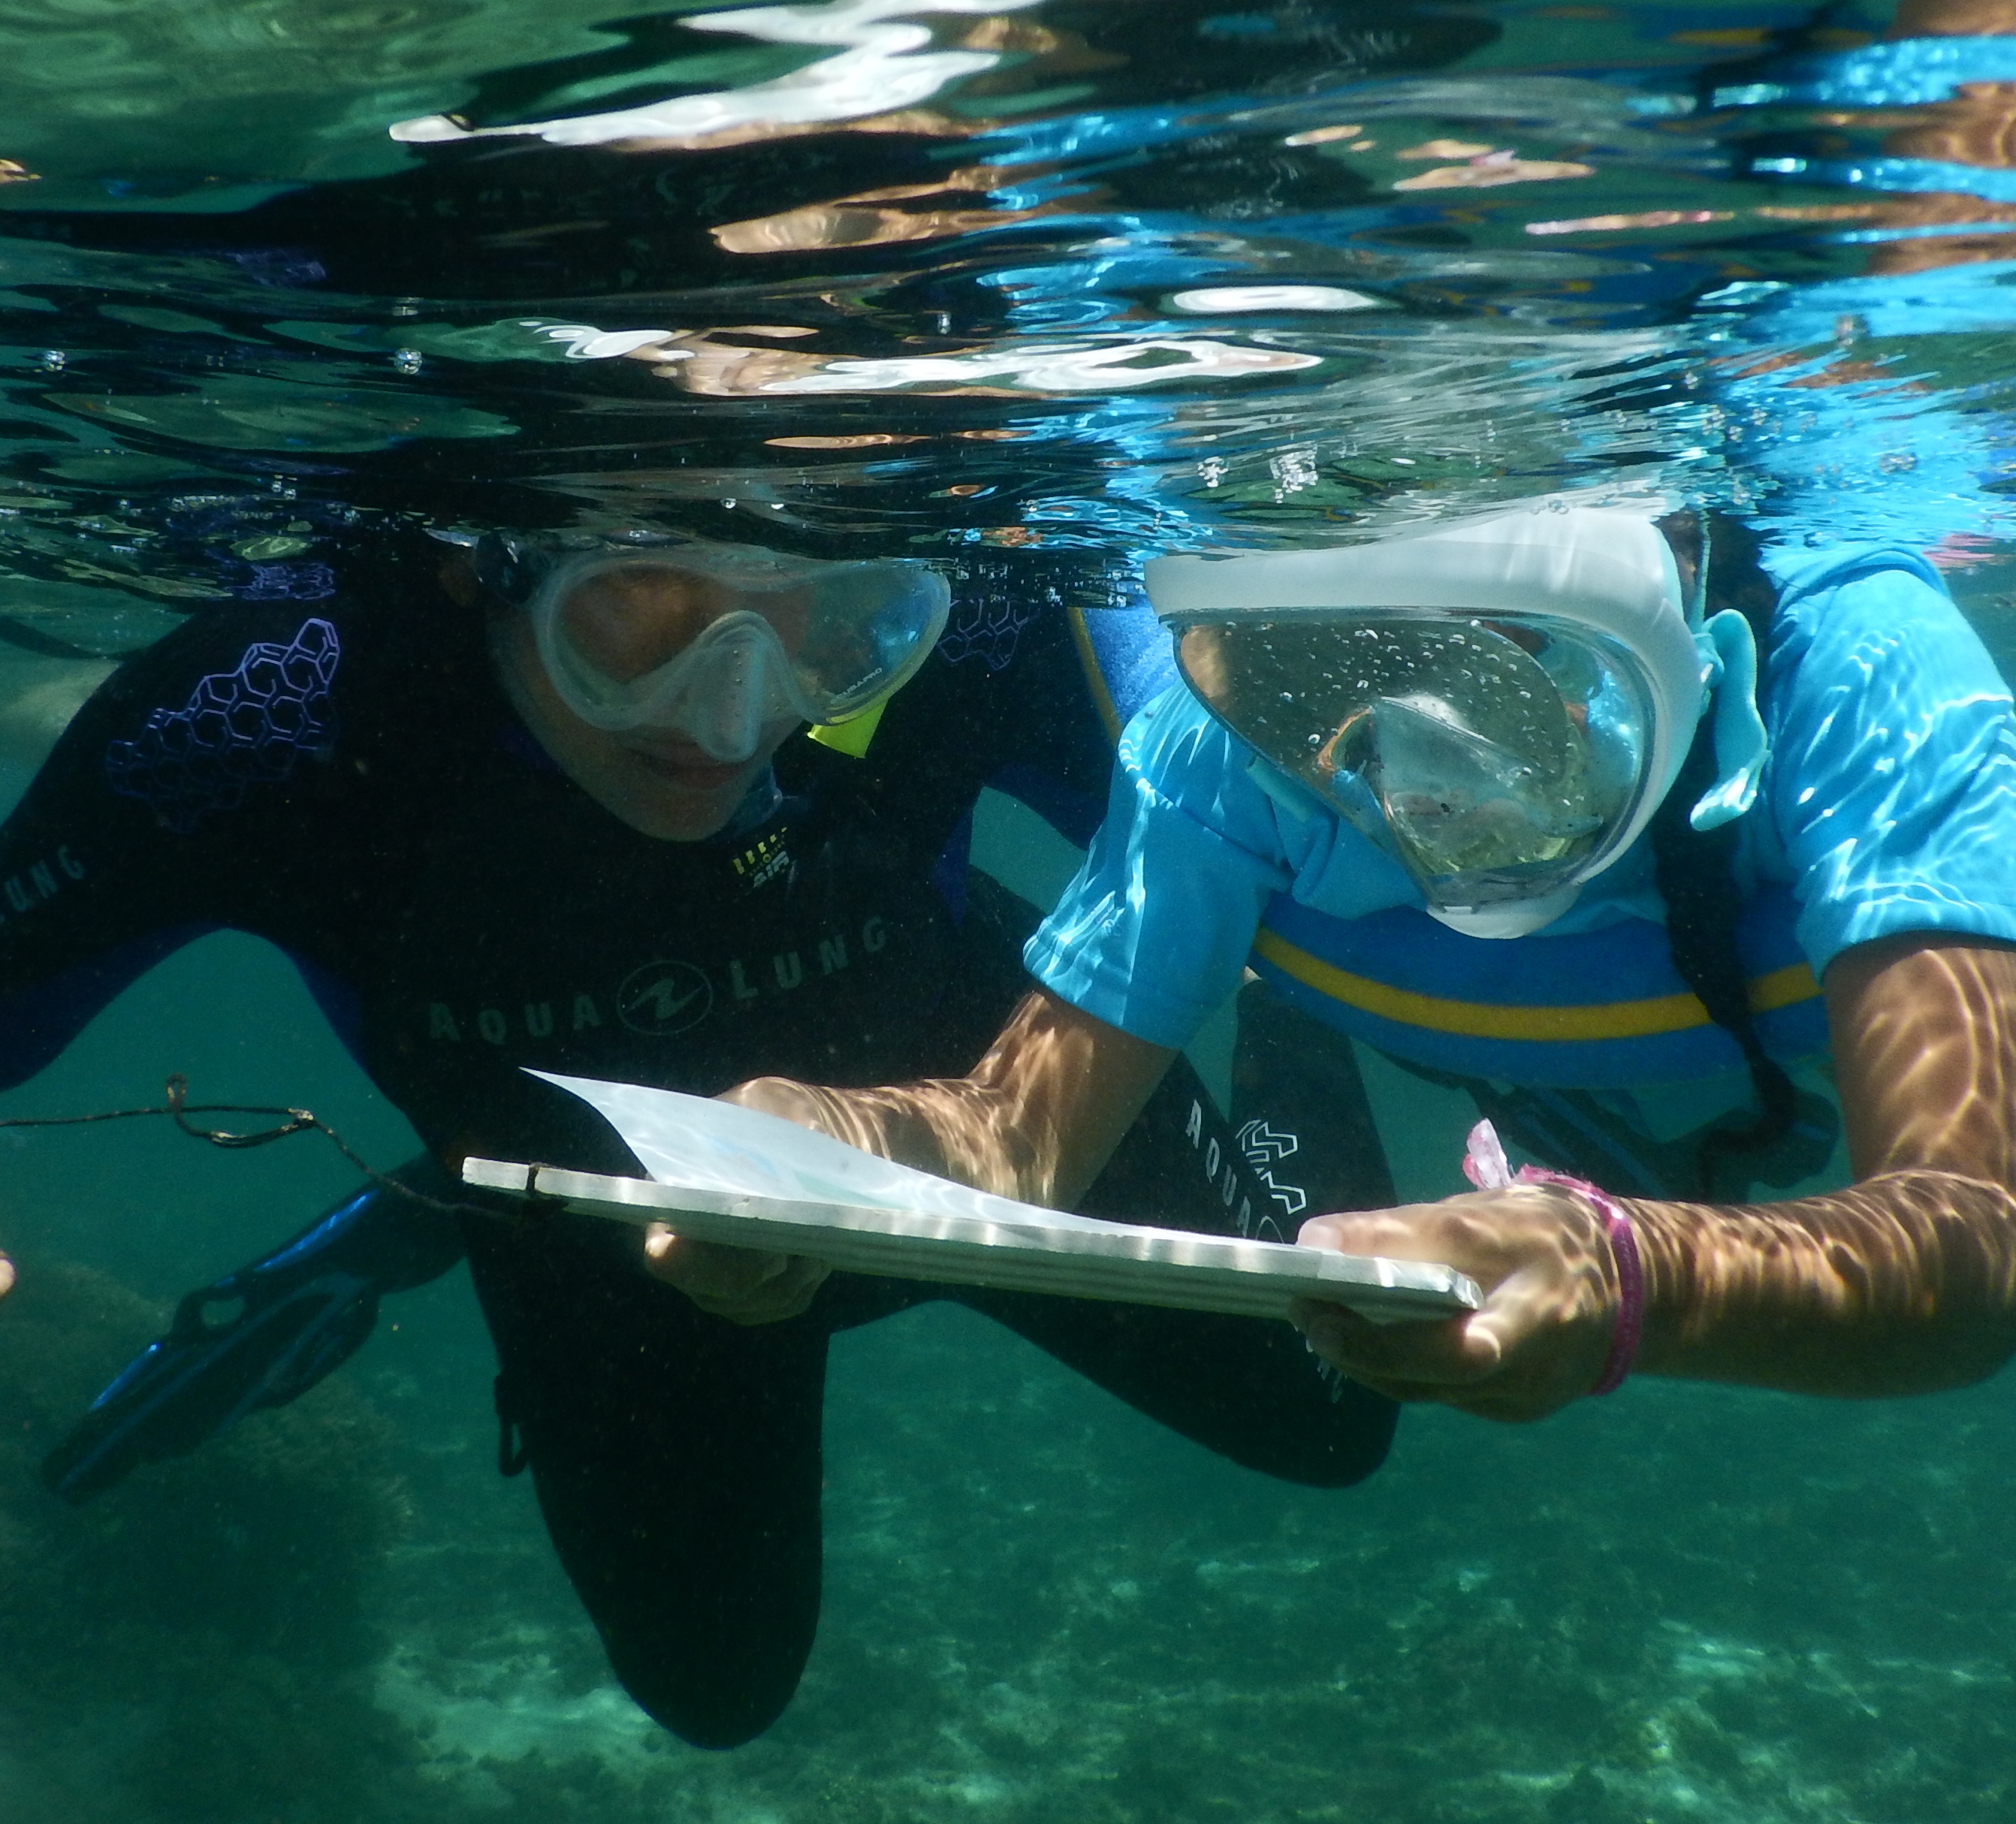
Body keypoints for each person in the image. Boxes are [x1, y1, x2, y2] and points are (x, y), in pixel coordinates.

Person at [0, 511, 1402, 1747]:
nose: (729, 721)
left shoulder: (974, 612)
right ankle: (423, 1207)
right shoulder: (270, 704)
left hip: (992, 1092)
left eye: (837, 628)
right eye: (644, 617)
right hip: (604, 1216)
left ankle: (1299, 1020)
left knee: (1334, 1412)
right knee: (714, 1684)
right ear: (474, 563)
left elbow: (1235, 800)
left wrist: (1318, 942)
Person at [681, 500, 2016, 1422]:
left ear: (1671, 593)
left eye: (1494, 710)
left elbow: (1975, 1237)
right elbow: (1014, 1132)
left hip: (1686, 1099)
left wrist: (1639, 1274)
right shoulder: (1225, 748)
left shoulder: (1863, 669)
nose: (1409, 801)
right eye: (1303, 697)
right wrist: (822, 1145)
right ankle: (1294, 1005)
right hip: (1496, 1054)